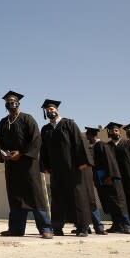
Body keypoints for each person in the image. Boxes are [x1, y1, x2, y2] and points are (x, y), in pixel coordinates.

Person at [0, 91, 53, 239]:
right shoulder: (3, 122)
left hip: (27, 164)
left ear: (18, 103)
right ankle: (16, 229)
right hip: (11, 166)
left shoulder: (27, 119)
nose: (11, 103)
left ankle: (45, 228)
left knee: (34, 195)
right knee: (15, 197)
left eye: (13, 101)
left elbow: (36, 140)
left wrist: (21, 154)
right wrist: (2, 154)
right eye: (8, 101)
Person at [39, 99, 92, 237]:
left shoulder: (69, 123)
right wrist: (45, 166)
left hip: (73, 167)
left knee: (77, 196)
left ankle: (82, 227)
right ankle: (57, 227)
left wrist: (82, 161)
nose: (50, 111)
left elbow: (79, 142)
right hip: (56, 169)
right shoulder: (45, 129)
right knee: (57, 197)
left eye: (52, 108)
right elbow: (43, 149)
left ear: (57, 110)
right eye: (48, 109)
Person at [85, 127, 130, 234]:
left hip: (110, 178)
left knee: (119, 202)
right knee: (109, 202)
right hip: (100, 178)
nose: (87, 138)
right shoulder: (93, 146)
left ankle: (127, 225)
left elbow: (110, 161)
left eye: (88, 136)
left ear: (92, 136)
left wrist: (110, 176)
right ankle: (116, 225)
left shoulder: (102, 145)